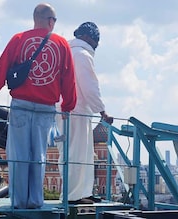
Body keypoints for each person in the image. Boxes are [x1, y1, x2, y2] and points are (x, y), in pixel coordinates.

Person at [0, 3, 77, 209]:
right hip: (46, 108)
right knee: (39, 155)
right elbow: (68, 79)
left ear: (34, 18)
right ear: (51, 21)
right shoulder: (62, 44)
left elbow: (0, 71)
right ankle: (36, 200)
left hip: (21, 105)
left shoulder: (19, 39)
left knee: (18, 154)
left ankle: (19, 202)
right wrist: (67, 107)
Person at [57, 22, 113, 204]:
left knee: (68, 152)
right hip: (77, 110)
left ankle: (77, 193)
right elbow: (89, 87)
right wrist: (102, 110)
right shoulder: (82, 55)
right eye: (97, 40)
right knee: (79, 153)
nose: (97, 44)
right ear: (88, 37)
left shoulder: (64, 51)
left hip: (61, 110)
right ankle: (75, 195)